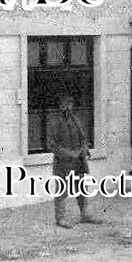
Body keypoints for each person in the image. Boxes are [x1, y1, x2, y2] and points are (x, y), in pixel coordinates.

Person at [46, 94, 101, 228]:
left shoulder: (76, 120)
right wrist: (69, 154)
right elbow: (52, 145)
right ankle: (60, 218)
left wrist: (84, 149)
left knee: (82, 188)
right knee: (62, 189)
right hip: (62, 162)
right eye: (65, 105)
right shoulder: (55, 122)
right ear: (60, 106)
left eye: (70, 105)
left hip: (78, 161)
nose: (68, 108)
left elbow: (83, 138)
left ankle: (84, 214)